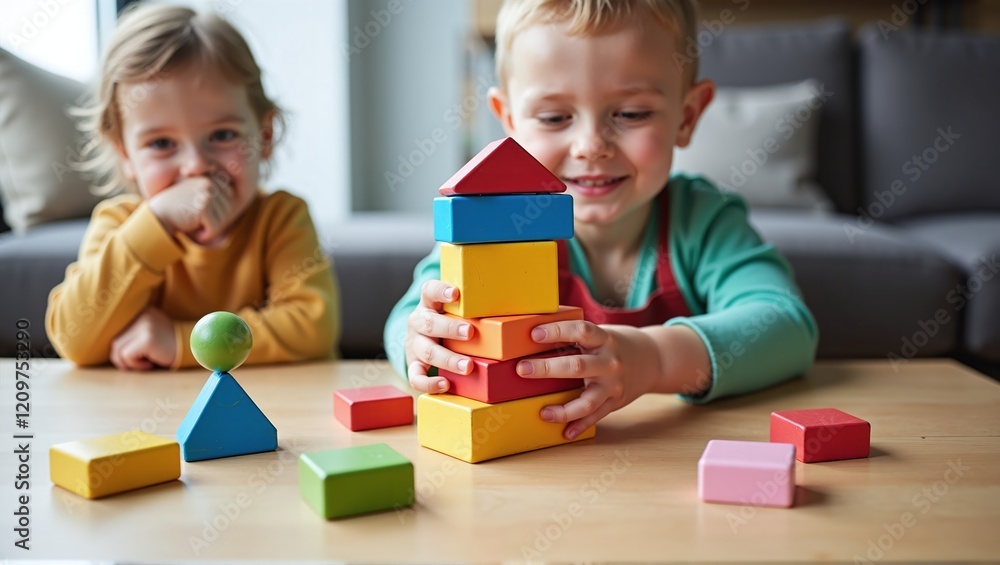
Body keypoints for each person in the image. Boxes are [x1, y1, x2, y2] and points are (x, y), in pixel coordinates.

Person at [384, 0, 818, 440]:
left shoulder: (703, 220)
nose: (591, 145)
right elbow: (407, 317)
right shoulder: (493, 227)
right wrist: (420, 344)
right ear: (511, 124)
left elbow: (785, 325)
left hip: (670, 461)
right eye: (555, 118)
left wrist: (653, 359)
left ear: (686, 117)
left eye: (631, 113)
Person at [46, 4, 339, 371]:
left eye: (222, 135)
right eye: (161, 144)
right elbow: (74, 339)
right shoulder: (120, 225)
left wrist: (179, 341)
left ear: (264, 136)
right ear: (125, 154)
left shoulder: (281, 218)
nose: (196, 165)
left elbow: (314, 328)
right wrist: (156, 225)